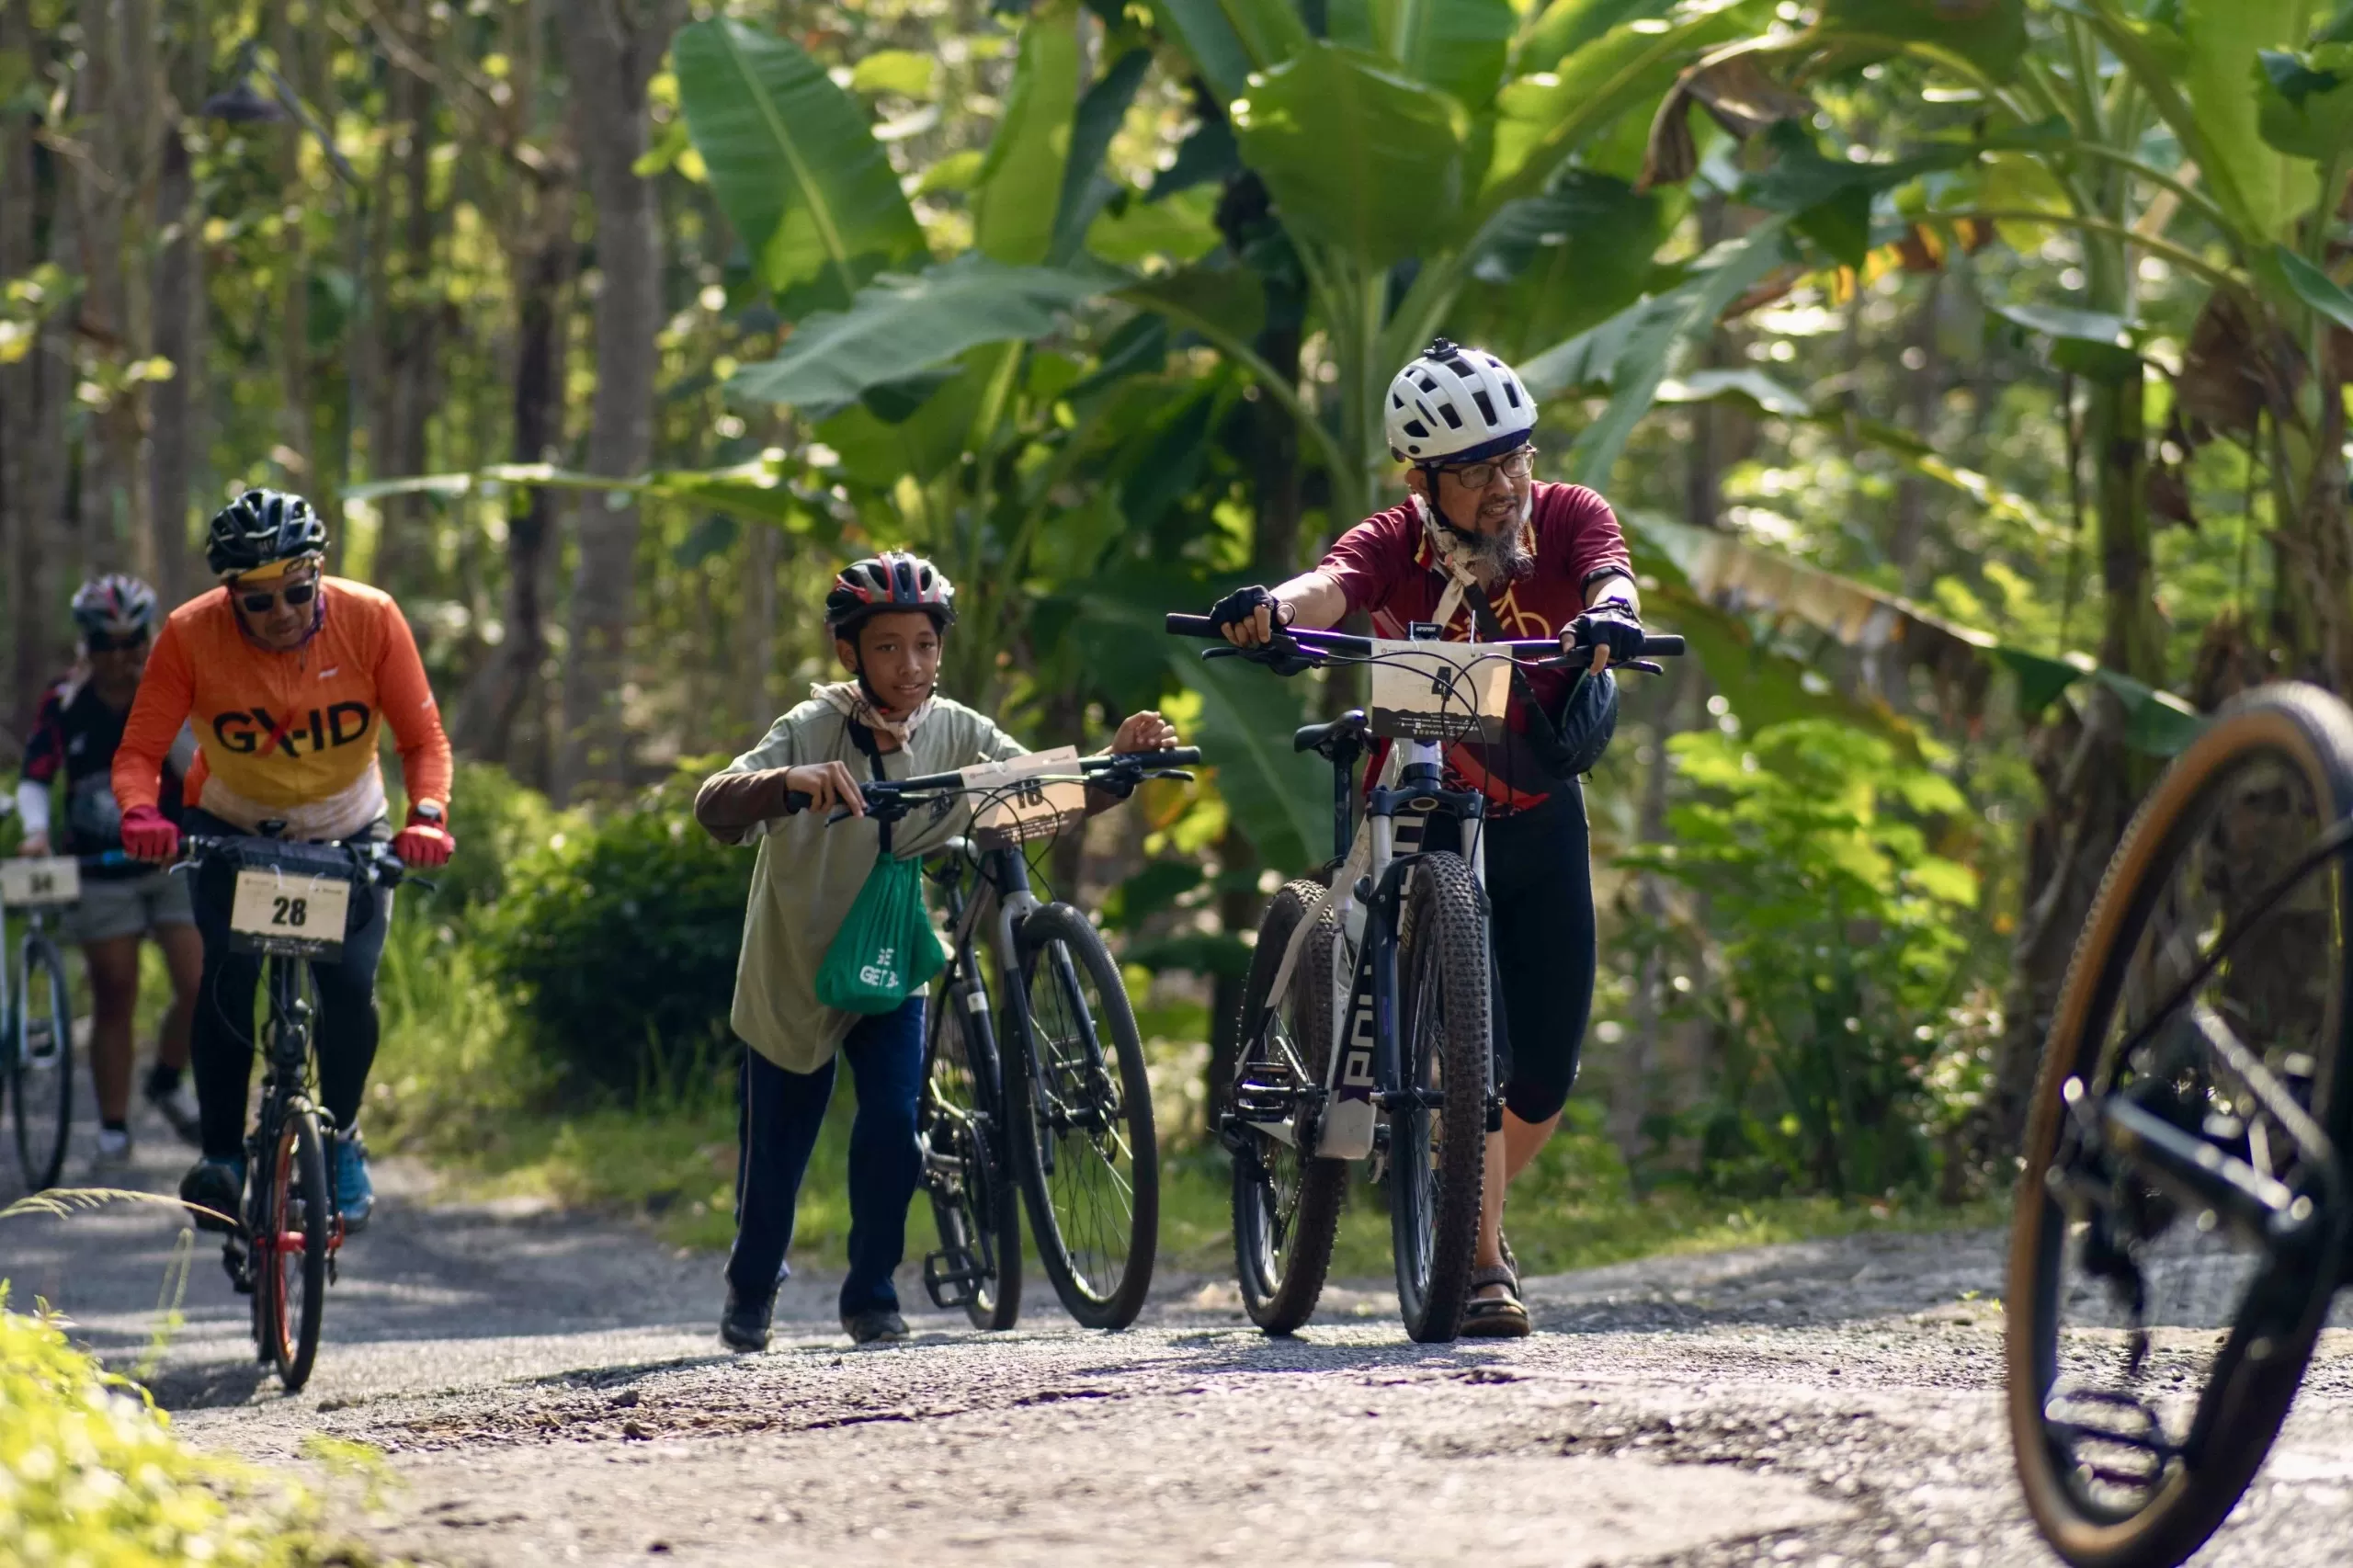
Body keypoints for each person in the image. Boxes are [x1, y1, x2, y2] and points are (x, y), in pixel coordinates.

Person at [1206, 338, 1651, 1338]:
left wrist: (1611, 619)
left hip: (1540, 813)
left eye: (1514, 458)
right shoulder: (1392, 541)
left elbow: (1611, 577)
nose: (1503, 487)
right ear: (1422, 483)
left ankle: (1458, 1196)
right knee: (1470, 1054)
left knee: (1544, 1072)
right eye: (1475, 471)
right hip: (1420, 809)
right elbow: (1328, 585)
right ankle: (1482, 1260)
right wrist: (1272, 612)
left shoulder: (1568, 514)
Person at [693, 551, 1177, 1350]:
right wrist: (791, 782)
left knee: (893, 1124)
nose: (910, 665)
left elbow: (1035, 795)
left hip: (891, 955)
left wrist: (1117, 766)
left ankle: (871, 1293)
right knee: (777, 1150)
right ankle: (751, 1288)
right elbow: (714, 804)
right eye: (887, 647)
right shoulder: (809, 727)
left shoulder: (959, 732)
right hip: (794, 967)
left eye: (924, 644)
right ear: (848, 652)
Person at [113, 488, 456, 1237]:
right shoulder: (190, 633)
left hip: (346, 825)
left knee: (349, 986)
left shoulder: (372, 617)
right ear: (229, 596)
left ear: (319, 573)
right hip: (232, 825)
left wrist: (427, 815)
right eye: (258, 601)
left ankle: (342, 1137)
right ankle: (221, 1160)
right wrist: (141, 813)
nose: (282, 614)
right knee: (227, 980)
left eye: (298, 592)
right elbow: (139, 752)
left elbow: (422, 739)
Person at [12, 575, 205, 1165]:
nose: (120, 657)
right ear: (87, 645)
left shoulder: (169, 692)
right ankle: (115, 1128)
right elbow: (36, 776)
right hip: (98, 866)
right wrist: (36, 832)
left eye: (133, 642)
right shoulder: (64, 701)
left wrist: (161, 702)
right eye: (106, 644)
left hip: (172, 861)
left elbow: (198, 771)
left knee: (201, 982)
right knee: (115, 988)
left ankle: (167, 1078)